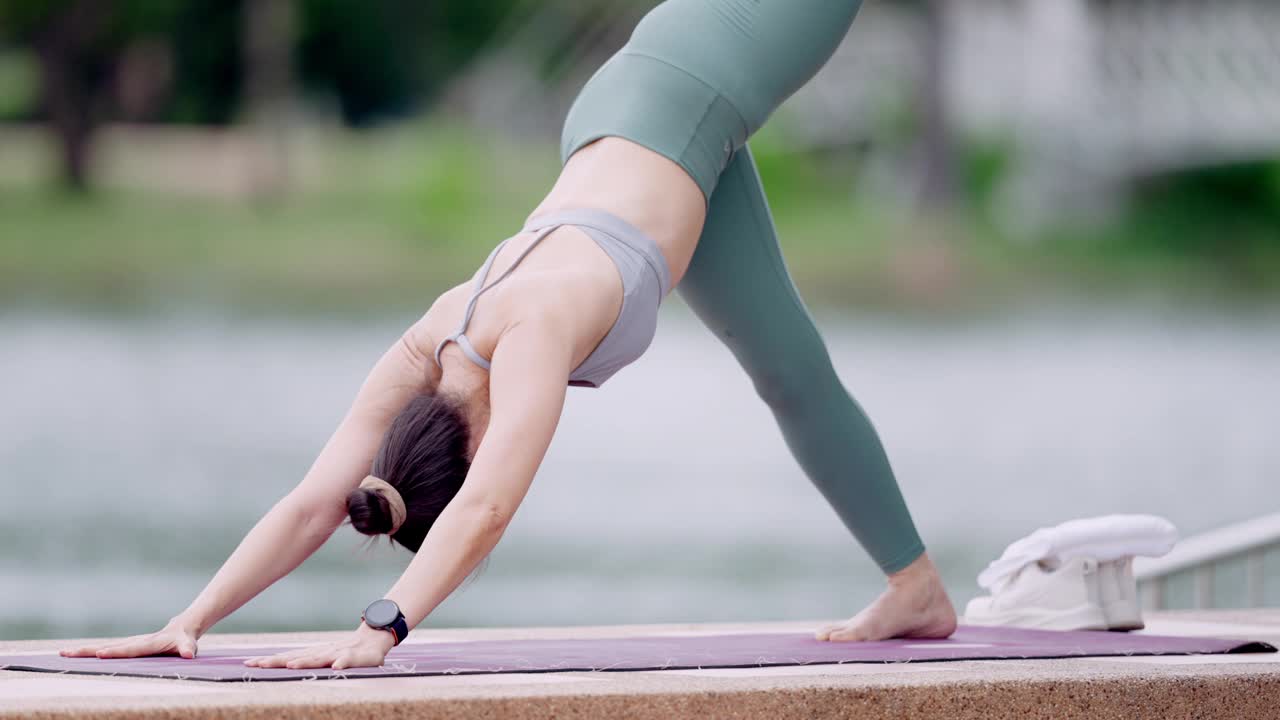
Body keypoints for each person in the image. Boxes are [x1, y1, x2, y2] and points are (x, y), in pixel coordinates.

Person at [61, 0, 957, 671]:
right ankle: (914, 587)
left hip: (693, 76)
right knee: (788, 371)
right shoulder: (427, 347)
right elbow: (312, 502)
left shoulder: (523, 338)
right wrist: (191, 621)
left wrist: (380, 630)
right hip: (649, 126)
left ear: (468, 443)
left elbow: (486, 507)